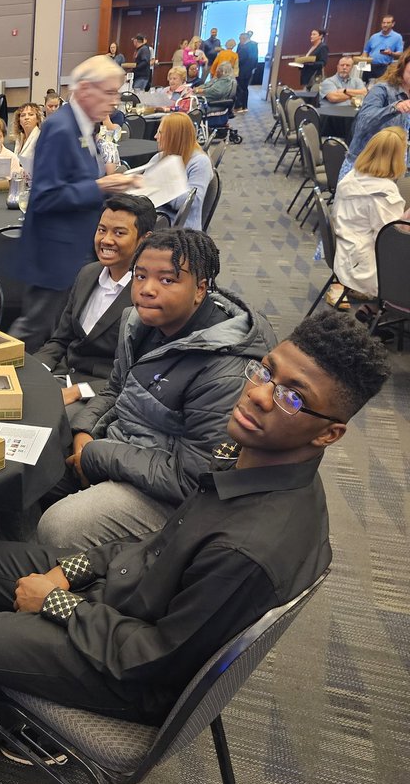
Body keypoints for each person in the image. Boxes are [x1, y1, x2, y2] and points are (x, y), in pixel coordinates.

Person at [0, 307, 389, 784]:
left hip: (125, 667)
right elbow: (157, 545)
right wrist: (72, 570)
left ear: (328, 433)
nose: (260, 396)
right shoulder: (251, 462)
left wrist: (55, 602)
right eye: (266, 371)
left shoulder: (252, 547)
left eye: (293, 397)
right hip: (124, 599)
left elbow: (151, 658)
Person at [37, 229, 276, 549]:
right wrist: (85, 433)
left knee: (59, 526)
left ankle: (96, 582)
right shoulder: (137, 323)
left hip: (172, 494)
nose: (147, 290)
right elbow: (116, 389)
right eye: (140, 276)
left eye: (167, 280)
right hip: (125, 449)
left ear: (200, 289)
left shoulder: (227, 370)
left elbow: (192, 478)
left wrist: (98, 456)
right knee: (33, 466)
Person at [9, 55, 138, 351]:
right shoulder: (61, 128)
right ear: (84, 90)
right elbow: (45, 197)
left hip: (73, 249)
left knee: (58, 329)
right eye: (109, 93)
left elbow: (77, 179)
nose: (115, 101)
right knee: (34, 330)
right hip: (54, 254)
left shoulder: (83, 126)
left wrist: (113, 185)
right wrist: (99, 186)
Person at [35, 194, 156, 413]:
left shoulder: (148, 296)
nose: (106, 240)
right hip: (62, 377)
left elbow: (140, 372)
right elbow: (61, 339)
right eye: (102, 230)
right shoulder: (88, 274)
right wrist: (36, 368)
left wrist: (79, 391)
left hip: (103, 394)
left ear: (144, 240)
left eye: (119, 233)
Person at [329, 126, 409, 305]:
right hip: (363, 264)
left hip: (346, 252)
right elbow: (391, 241)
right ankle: (388, 309)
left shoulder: (352, 176)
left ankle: (375, 311)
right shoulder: (383, 193)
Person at [338, 51, 410, 181]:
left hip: (394, 167)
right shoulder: (382, 89)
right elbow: (363, 122)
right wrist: (395, 107)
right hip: (365, 166)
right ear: (402, 68)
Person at [144, 112, 212, 232]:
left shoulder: (200, 162)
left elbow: (190, 202)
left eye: (160, 133)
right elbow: (144, 193)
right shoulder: (159, 158)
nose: (155, 136)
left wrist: (159, 185)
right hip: (155, 221)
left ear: (174, 136)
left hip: (182, 231)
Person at [363, 14, 403, 83]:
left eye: (388, 23)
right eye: (383, 23)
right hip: (369, 66)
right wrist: (363, 62)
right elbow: (366, 51)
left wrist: (391, 53)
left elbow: (400, 54)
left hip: (384, 68)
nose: (385, 25)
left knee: (380, 87)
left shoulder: (397, 37)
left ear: (393, 24)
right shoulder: (374, 36)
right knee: (365, 85)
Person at [10, 103, 42, 171]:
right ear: (19, 121)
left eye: (31, 114)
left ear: (37, 119)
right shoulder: (19, 138)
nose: (26, 118)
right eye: (23, 115)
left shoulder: (40, 138)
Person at [235, 31, 258, 111]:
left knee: (241, 88)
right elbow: (255, 58)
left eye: (240, 39)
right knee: (245, 88)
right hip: (248, 71)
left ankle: (240, 106)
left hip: (242, 71)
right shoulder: (253, 45)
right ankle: (244, 106)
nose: (239, 40)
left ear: (244, 38)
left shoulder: (245, 48)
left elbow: (240, 59)